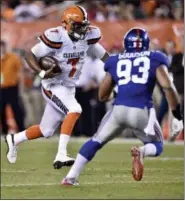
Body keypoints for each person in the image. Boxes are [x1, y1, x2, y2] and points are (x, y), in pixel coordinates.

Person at [61, 27, 182, 186]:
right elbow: (167, 86)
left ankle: (71, 176)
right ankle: (142, 152)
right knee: (157, 145)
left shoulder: (115, 60)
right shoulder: (155, 57)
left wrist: (117, 94)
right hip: (141, 111)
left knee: (96, 141)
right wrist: (177, 114)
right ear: (145, 43)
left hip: (118, 111)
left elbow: (103, 95)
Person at [5, 5, 109, 169]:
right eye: (78, 25)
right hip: (52, 84)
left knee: (46, 130)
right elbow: (29, 55)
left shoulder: (88, 36)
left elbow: (103, 55)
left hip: (68, 87)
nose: (82, 29)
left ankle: (14, 139)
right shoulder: (56, 36)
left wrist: (115, 68)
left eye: (84, 25)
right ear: (66, 24)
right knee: (75, 109)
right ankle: (61, 154)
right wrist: (41, 73)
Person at [0, 40, 25, 135]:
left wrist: (21, 86)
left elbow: (20, 72)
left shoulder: (13, 57)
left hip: (12, 87)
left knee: (16, 108)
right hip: (1, 88)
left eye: (2, 46)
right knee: (1, 109)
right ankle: (4, 131)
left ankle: (22, 129)